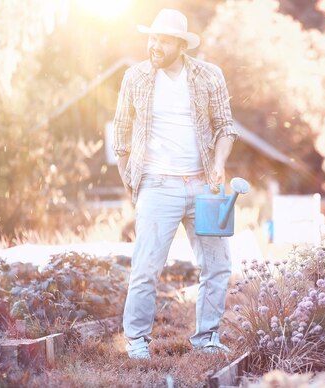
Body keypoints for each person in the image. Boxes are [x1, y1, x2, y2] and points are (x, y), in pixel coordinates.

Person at [112, 8, 237, 359]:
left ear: (180, 45)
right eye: (152, 38)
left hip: (204, 187)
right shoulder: (134, 77)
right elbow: (121, 135)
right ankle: (136, 340)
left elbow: (226, 126)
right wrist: (129, 179)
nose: (154, 45)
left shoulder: (209, 76)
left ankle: (207, 337)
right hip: (157, 185)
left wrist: (219, 163)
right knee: (146, 265)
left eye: (163, 41)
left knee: (217, 265)